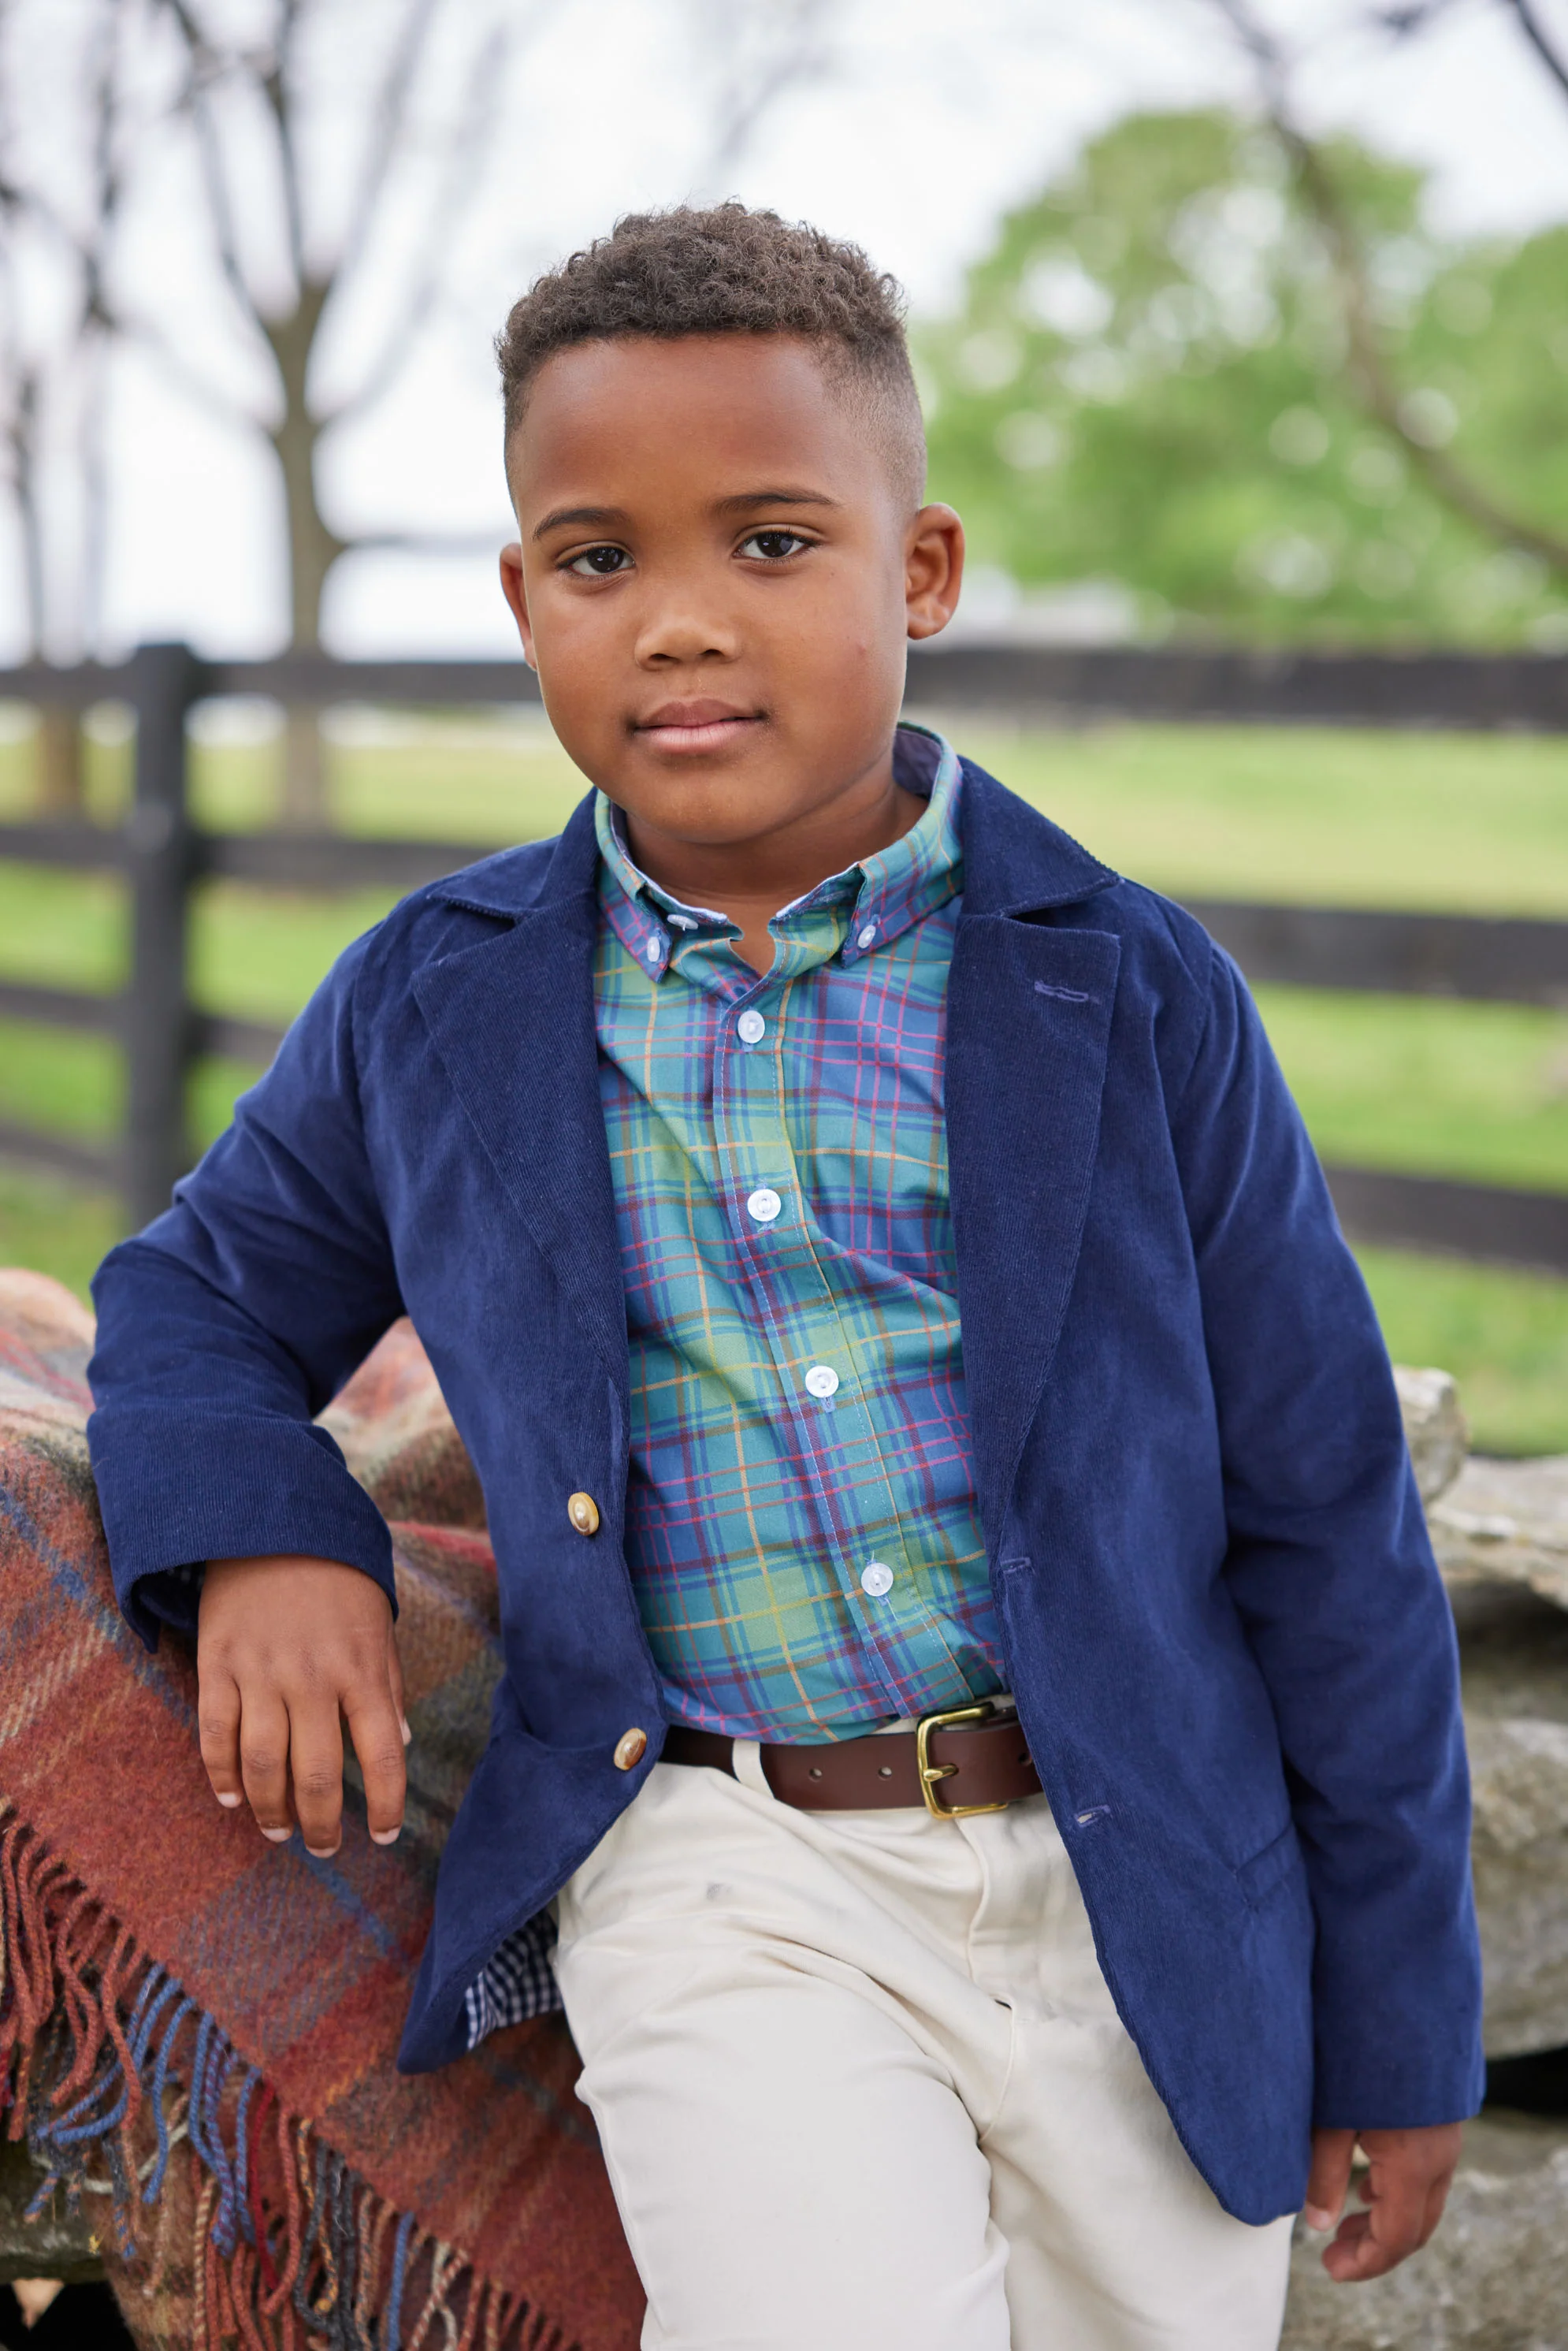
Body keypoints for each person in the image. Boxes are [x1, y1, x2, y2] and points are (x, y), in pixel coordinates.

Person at [87, 204, 1481, 2351]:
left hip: (1136, 1870)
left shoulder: (1117, 984)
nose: (673, 623)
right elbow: (192, 1300)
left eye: (765, 543)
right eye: (595, 558)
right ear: (519, 599)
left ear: (915, 572)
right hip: (729, 1867)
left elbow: (1325, 1519)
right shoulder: (432, 1006)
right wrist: (269, 1536)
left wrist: (1394, 2015)